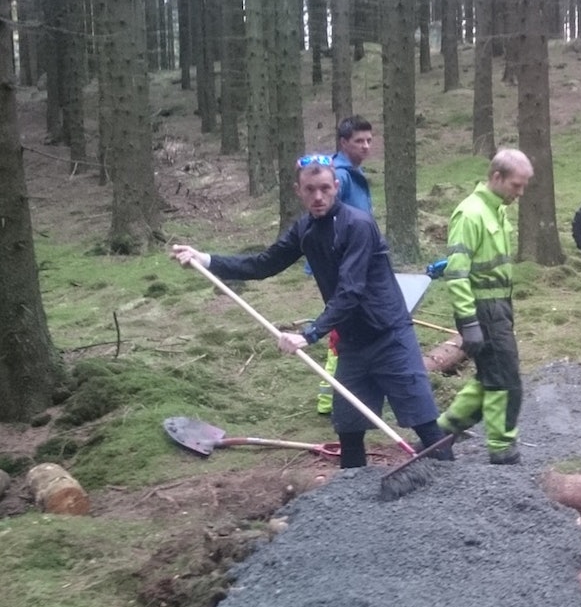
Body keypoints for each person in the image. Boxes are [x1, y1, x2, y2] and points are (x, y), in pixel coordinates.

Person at [171, 156, 451, 470]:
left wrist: (309, 334)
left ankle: (453, 485)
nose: (318, 197)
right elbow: (263, 264)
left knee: (423, 420)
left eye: (324, 189)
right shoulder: (304, 229)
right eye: (310, 190)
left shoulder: (358, 225)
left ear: (337, 187)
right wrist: (205, 258)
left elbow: (350, 290)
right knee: (348, 428)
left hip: (389, 335)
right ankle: (353, 497)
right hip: (352, 344)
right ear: (298, 191)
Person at [436, 149, 534, 465]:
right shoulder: (471, 214)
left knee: (491, 374)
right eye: (516, 185)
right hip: (483, 309)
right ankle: (502, 448)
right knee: (505, 380)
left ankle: (442, 431)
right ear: (496, 177)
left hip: (499, 306)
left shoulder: (496, 210)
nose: (520, 193)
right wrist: (469, 321)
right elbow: (456, 273)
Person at [315, 115, 377, 413]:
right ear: (343, 143)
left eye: (369, 140)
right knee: (342, 330)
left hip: (359, 261)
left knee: (351, 328)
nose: (366, 146)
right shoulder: (338, 177)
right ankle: (334, 396)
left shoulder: (352, 172)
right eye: (358, 141)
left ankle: (348, 393)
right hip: (345, 265)